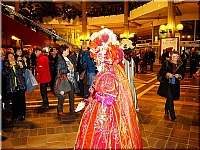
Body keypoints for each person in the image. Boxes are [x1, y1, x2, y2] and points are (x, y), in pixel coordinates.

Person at [74, 28, 142, 149]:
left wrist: (94, 94)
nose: (95, 62)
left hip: (107, 115)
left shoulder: (109, 75)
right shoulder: (104, 72)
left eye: (97, 59)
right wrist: (87, 100)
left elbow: (109, 100)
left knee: (104, 138)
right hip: (100, 110)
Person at [157, 51, 185, 121]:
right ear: (171, 56)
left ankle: (166, 108)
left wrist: (179, 76)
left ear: (178, 57)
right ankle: (173, 115)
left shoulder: (180, 65)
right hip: (167, 83)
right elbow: (161, 71)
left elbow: (183, 74)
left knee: (170, 98)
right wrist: (167, 74)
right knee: (170, 97)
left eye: (176, 56)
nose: (175, 58)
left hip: (175, 84)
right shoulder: (167, 63)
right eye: (173, 56)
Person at [3, 52, 27, 121]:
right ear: (7, 58)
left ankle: (22, 114)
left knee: (22, 101)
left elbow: (24, 70)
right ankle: (15, 114)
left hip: (20, 85)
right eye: (10, 57)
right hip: (12, 86)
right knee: (14, 101)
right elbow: (5, 73)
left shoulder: (18, 63)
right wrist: (10, 67)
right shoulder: (6, 65)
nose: (11, 58)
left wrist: (21, 65)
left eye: (12, 56)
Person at [56, 46, 76, 115]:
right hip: (64, 79)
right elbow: (58, 71)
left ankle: (72, 108)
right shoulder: (60, 60)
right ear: (63, 51)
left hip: (71, 79)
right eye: (67, 50)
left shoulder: (68, 58)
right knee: (62, 95)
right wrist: (68, 69)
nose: (68, 51)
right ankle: (60, 110)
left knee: (71, 94)